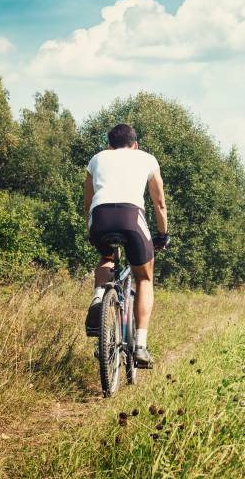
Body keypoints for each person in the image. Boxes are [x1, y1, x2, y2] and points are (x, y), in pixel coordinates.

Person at [83, 123, 169, 367]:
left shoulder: (96, 159)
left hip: (100, 217)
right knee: (144, 277)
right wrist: (162, 234)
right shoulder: (147, 159)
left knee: (107, 258)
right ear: (136, 145)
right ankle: (140, 345)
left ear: (108, 146)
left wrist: (92, 231)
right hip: (131, 218)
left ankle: (99, 296)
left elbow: (88, 202)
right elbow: (159, 203)